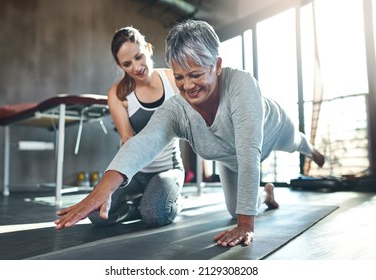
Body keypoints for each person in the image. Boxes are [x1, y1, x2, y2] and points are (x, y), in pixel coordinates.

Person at [55, 20, 325, 247]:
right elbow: (144, 141)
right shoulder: (176, 109)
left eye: (195, 74)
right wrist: (102, 189)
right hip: (229, 158)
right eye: (180, 77)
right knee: (236, 208)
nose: (188, 86)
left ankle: (311, 149)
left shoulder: (241, 84)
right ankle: (267, 194)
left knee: (296, 142)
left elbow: (248, 153)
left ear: (217, 65)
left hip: (271, 131)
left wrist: (246, 225)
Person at [87, 26, 184, 227]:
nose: (136, 67)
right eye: (127, 64)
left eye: (139, 57)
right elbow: (127, 140)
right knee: (96, 212)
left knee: (155, 214)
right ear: (120, 66)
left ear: (148, 48)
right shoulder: (118, 94)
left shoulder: (173, 80)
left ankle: (163, 201)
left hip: (167, 169)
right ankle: (140, 207)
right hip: (135, 173)